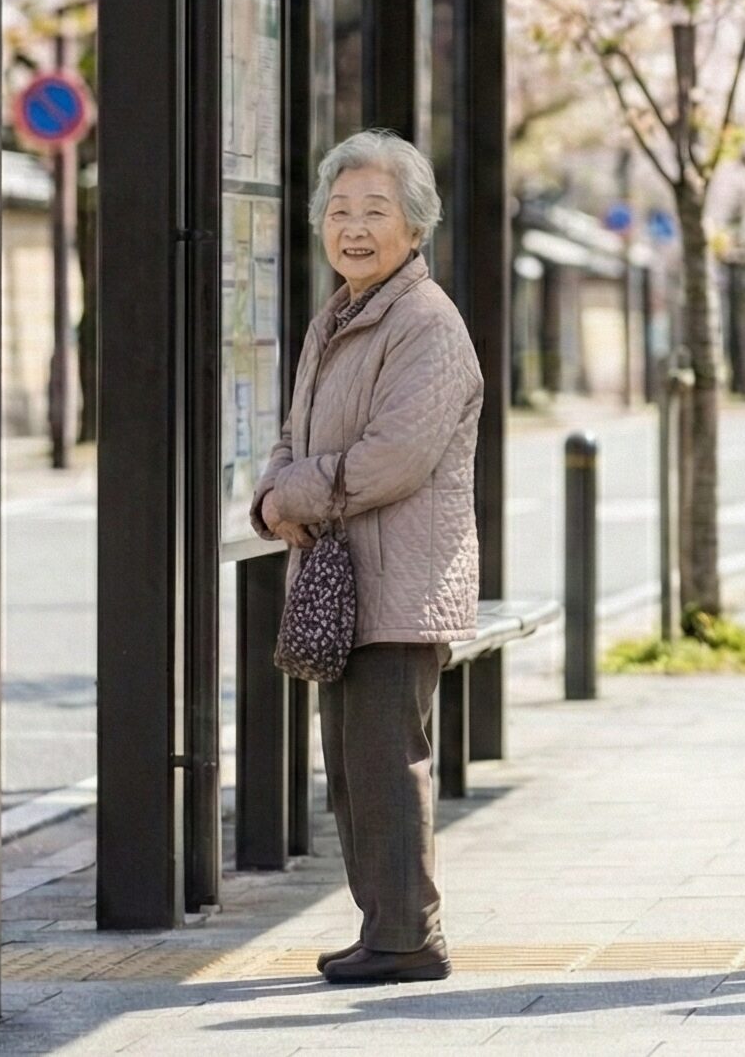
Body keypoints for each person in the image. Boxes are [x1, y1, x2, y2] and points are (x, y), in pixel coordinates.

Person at [252, 130, 482, 985]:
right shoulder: (340, 315)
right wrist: (275, 490)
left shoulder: (425, 323)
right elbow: (294, 435)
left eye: (375, 212)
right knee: (351, 769)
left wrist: (293, 494)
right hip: (346, 580)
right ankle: (384, 926)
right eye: (339, 210)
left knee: (387, 766)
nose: (353, 227)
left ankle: (409, 937)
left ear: (415, 228)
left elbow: (395, 456)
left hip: (401, 583)